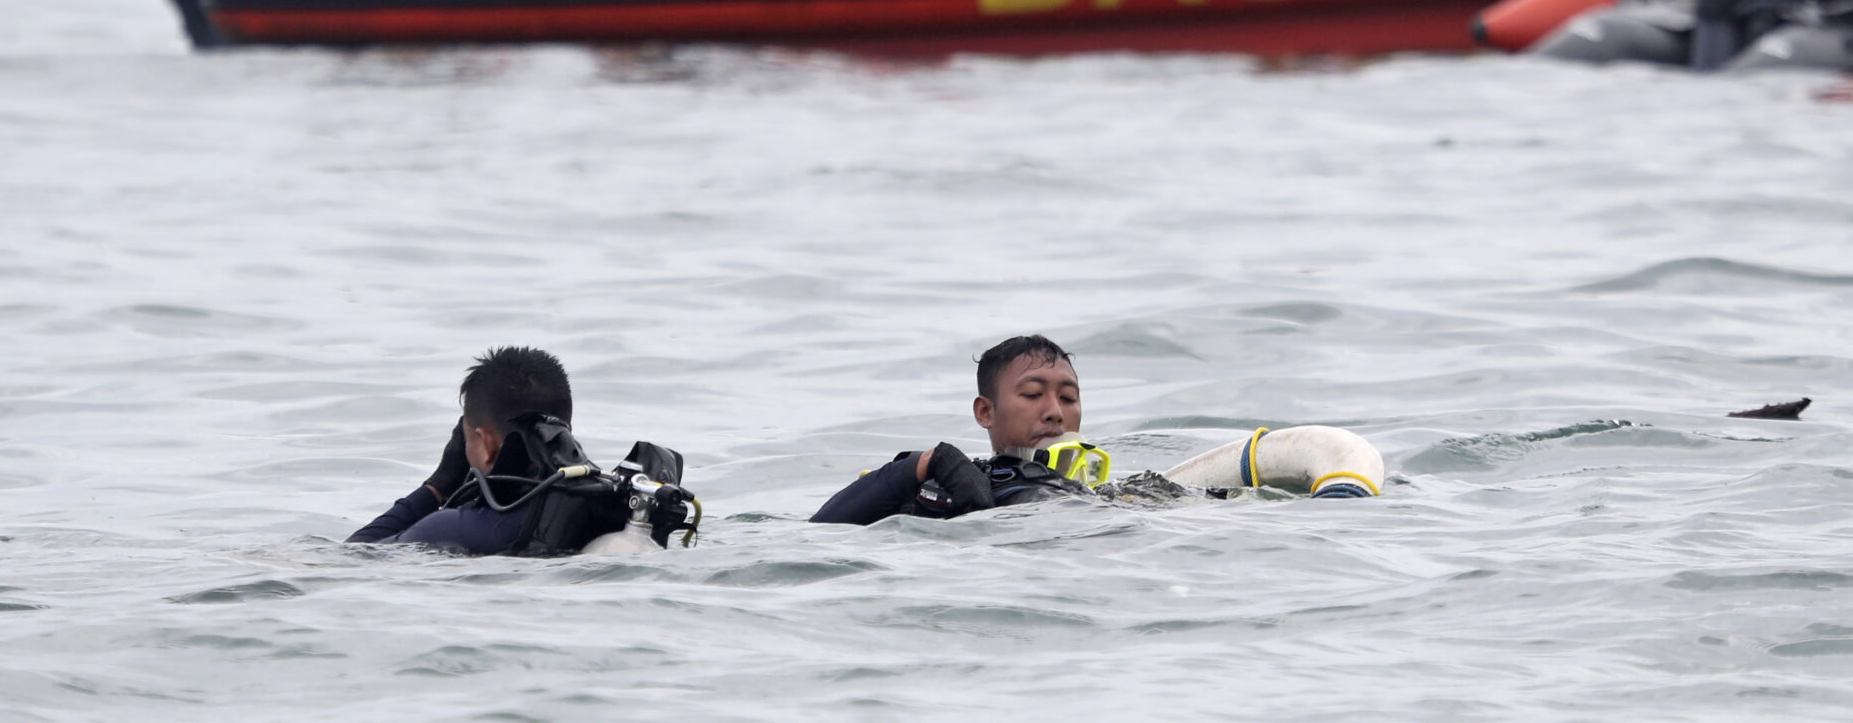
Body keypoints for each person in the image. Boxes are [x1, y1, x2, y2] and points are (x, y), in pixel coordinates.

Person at [809, 334, 1382, 525]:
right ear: (986, 412)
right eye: (1033, 396)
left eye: (1069, 398)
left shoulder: (1106, 486)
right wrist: (925, 464)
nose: (1055, 412)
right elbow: (823, 527)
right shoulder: (951, 483)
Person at [348, 346, 699, 556]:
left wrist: (438, 485)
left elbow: (356, 555)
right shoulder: (607, 504)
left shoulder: (452, 527)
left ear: (486, 444)